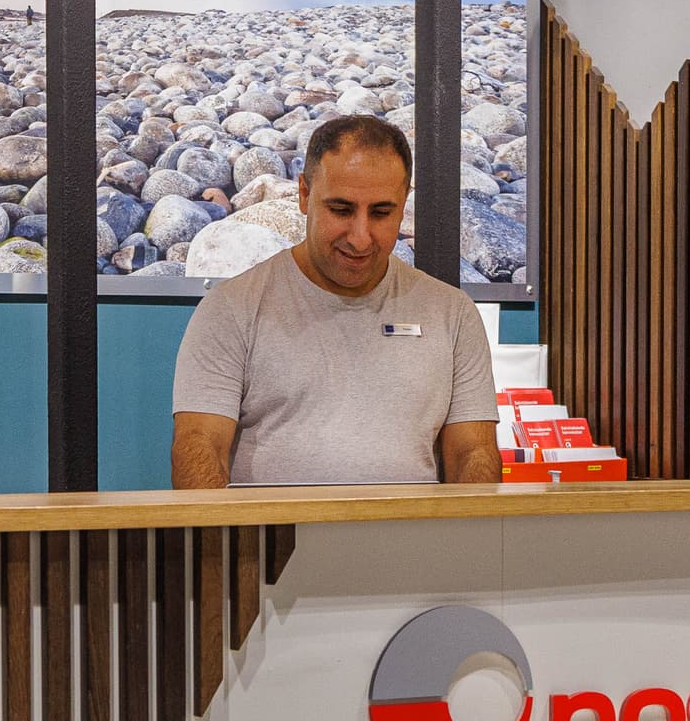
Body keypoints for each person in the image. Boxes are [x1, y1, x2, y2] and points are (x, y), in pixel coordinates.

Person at [171, 115, 500, 488]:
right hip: (274, 544)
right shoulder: (231, 309)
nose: (360, 238)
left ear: (404, 203)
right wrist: (222, 544)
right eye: (341, 210)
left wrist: (476, 539)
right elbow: (199, 447)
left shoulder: (452, 314)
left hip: (416, 542)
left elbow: (473, 453)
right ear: (304, 195)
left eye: (381, 212)